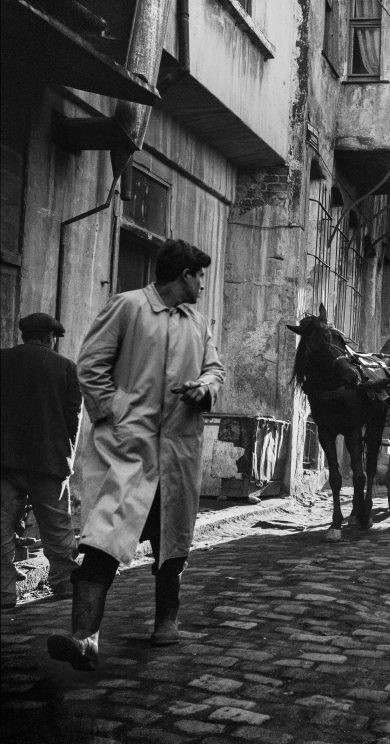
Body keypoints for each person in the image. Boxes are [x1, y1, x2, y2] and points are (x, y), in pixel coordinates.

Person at [47, 239, 225, 671]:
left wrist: (203, 389)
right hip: (128, 452)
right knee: (103, 541)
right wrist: (116, 414)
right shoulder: (127, 306)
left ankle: (167, 621)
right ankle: (84, 638)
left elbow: (214, 369)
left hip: (178, 452)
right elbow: (90, 365)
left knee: (172, 543)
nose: (203, 283)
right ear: (184, 275)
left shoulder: (196, 322)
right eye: (200, 275)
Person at [1, 313, 82, 610]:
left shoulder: (3, 361)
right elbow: (73, 420)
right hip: (49, 461)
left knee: (1, 529)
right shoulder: (66, 368)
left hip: (5, 462)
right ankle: (64, 584)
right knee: (58, 527)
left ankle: (5, 593)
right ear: (50, 338)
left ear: (24, 335)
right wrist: (65, 455)